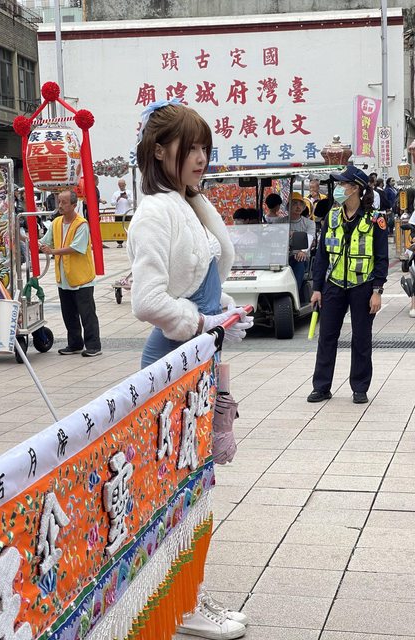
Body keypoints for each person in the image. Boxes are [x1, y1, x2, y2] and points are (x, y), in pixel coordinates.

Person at [127, 99, 251, 639]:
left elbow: (214, 268)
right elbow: (147, 300)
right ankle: (182, 605)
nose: (201, 156)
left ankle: (186, 596)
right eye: (190, 146)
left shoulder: (183, 204)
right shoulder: (155, 211)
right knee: (176, 493)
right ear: (159, 151)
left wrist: (221, 316)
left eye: (205, 147)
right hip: (172, 365)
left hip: (196, 362)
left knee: (192, 489)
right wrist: (203, 322)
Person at [307, 166, 388, 404]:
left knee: (361, 338)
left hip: (363, 286)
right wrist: (317, 288)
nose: (339, 188)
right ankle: (321, 387)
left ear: (355, 189)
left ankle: (360, 388)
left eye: (343, 184)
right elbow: (321, 256)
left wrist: (377, 291)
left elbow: (381, 258)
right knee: (326, 337)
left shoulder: (375, 219)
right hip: (333, 285)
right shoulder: (332, 217)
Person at [39, 189, 102, 357]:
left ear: (74, 205)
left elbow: (76, 248)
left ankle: (94, 346)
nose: (60, 205)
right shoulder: (56, 222)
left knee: (87, 314)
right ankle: (75, 344)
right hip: (64, 278)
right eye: (59, 201)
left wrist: (52, 251)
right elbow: (45, 241)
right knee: (68, 314)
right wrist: (29, 240)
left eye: (64, 202)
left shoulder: (81, 224)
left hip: (82, 278)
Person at [288, 192, 316, 294]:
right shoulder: (281, 222)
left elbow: (310, 237)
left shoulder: (309, 223)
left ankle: (294, 294)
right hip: (283, 257)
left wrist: (303, 251)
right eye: (295, 203)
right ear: (288, 206)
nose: (298, 207)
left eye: (300, 204)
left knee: (299, 262)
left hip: (300, 257)